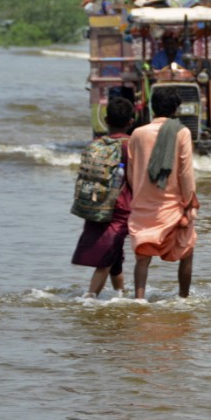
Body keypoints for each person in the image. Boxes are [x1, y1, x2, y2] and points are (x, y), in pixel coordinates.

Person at [127, 88, 199, 300]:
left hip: (143, 204)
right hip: (172, 204)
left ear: (152, 108)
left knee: (142, 258)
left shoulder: (137, 133)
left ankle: (139, 300)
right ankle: (183, 299)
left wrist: (140, 193)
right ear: (176, 110)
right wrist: (189, 202)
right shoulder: (181, 132)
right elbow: (185, 171)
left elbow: (132, 171)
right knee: (187, 253)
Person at [71, 97, 135, 297]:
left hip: (96, 204)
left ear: (106, 121)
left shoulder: (95, 144)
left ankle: (121, 295)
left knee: (115, 257)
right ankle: (90, 298)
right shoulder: (129, 146)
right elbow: (134, 178)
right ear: (131, 122)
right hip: (120, 207)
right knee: (107, 257)